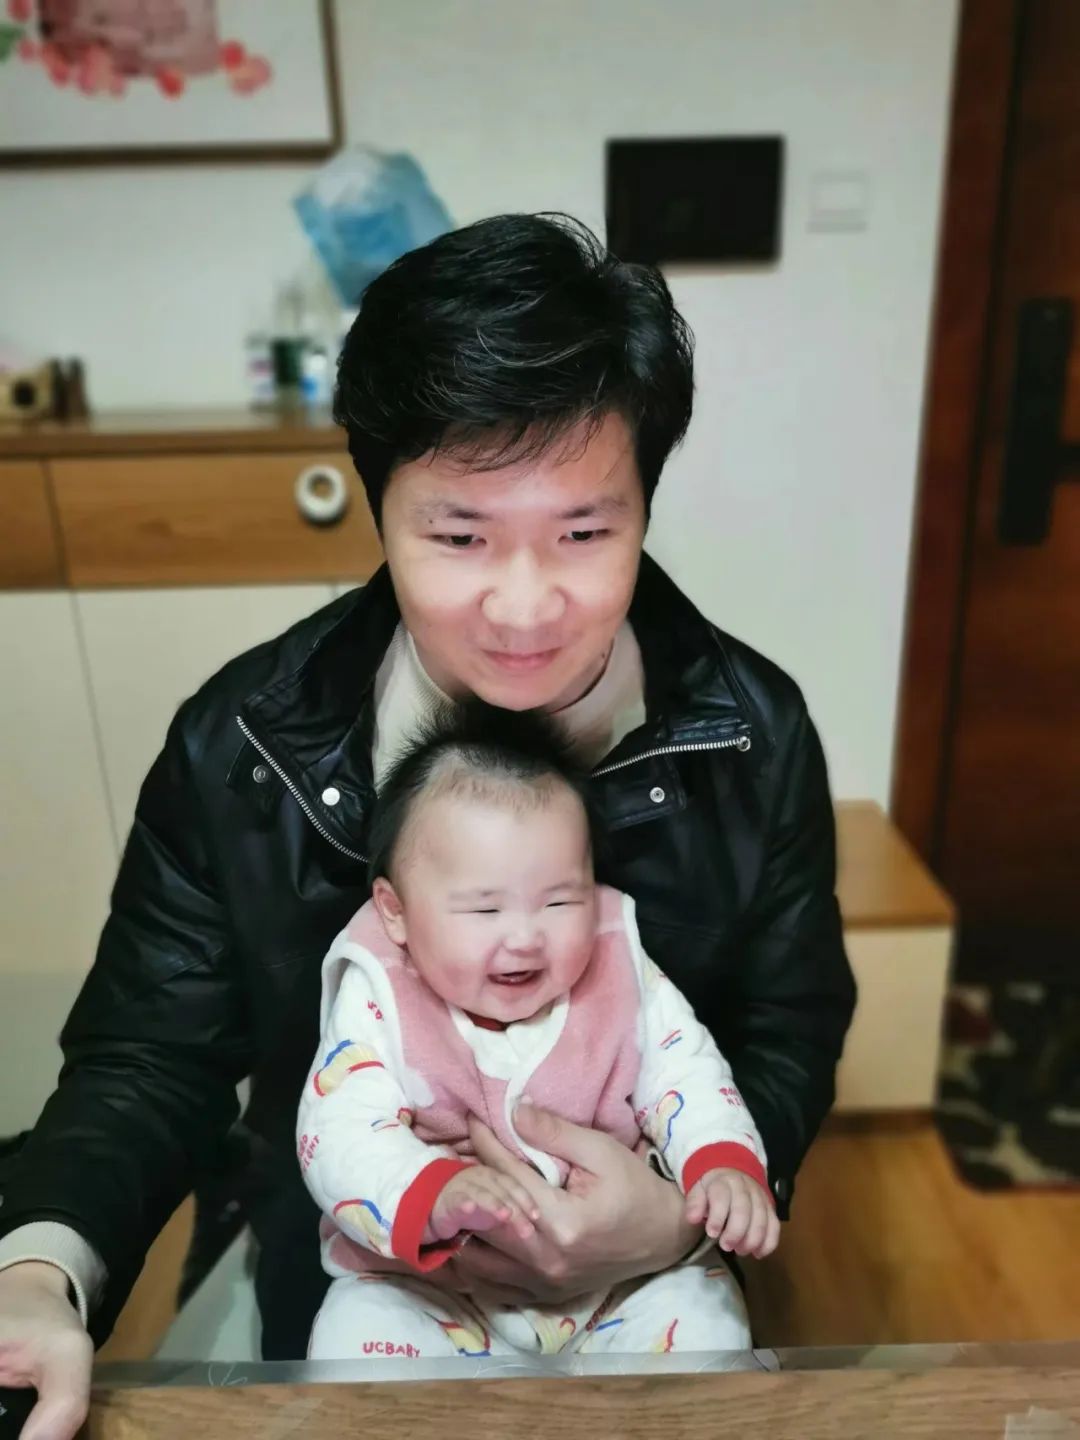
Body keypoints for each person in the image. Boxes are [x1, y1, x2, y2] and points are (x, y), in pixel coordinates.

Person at [0, 213, 854, 1440]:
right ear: (381, 509)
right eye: (459, 536)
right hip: (358, 1274)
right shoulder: (244, 744)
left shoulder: (751, 735)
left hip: (651, 1292)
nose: (524, 605)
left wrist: (671, 1217)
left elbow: (786, 1026)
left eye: (584, 533)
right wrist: (39, 1272)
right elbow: (148, 1055)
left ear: (643, 509)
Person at [301, 706, 780, 1360]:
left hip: (622, 1280)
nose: (524, 937)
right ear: (396, 911)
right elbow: (338, 1129)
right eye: (484, 908)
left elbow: (686, 1072)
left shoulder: (618, 967)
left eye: (560, 901)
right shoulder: (382, 990)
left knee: (707, 1321)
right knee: (353, 1337)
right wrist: (432, 1190)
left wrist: (720, 1163)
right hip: (436, 1285)